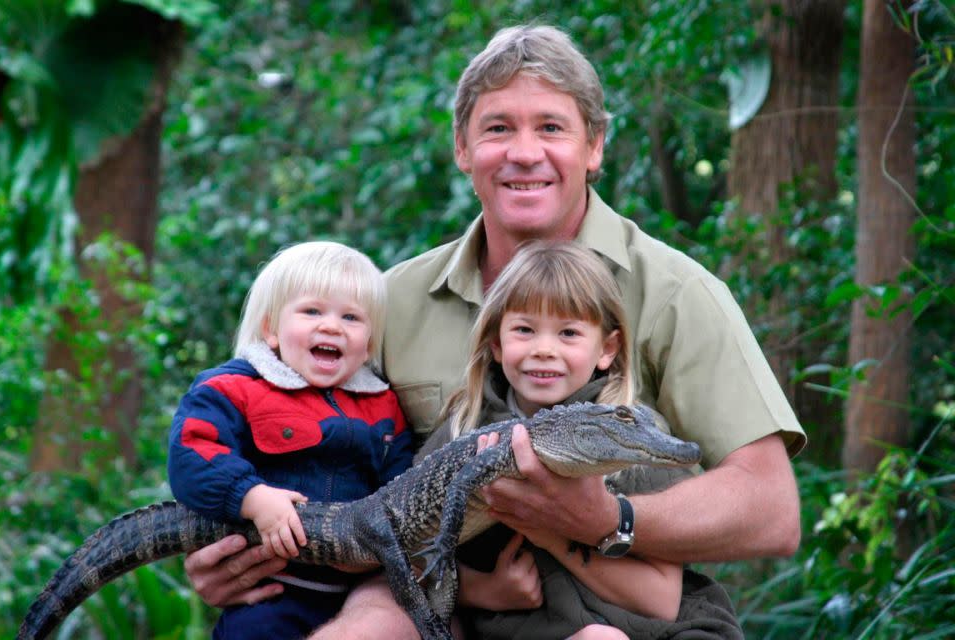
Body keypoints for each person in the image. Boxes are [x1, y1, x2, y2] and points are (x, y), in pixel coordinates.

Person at [182, 24, 806, 640]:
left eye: (552, 128)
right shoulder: (388, 299)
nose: (524, 152)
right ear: (462, 148)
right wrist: (235, 542)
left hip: (607, 598)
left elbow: (771, 510)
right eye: (498, 128)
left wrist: (605, 518)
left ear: (595, 146)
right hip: (435, 584)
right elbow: (290, 435)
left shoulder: (676, 292)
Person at [415, 240, 701, 638]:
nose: (544, 349)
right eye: (524, 330)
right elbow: (407, 547)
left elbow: (662, 600)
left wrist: (548, 528)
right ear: (496, 343)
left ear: (608, 348)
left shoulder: (636, 436)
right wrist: (483, 591)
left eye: (568, 332)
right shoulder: (465, 427)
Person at [167, 241, 413, 639]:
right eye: (312, 311)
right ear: (271, 329)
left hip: (358, 595)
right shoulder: (235, 388)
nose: (331, 326)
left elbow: (402, 481)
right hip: (270, 593)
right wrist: (253, 496)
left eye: (351, 317)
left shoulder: (383, 404)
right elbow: (193, 453)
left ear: (368, 343)